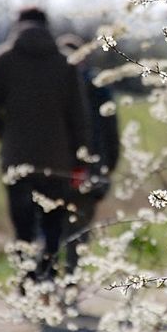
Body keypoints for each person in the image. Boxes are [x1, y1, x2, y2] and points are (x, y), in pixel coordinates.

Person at [0, 7, 90, 293]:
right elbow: (78, 117)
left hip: (17, 158)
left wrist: (4, 136)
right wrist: (80, 156)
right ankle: (47, 279)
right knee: (52, 223)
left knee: (23, 227)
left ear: (18, 25)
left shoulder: (4, 59)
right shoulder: (65, 63)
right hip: (57, 160)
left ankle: (25, 285)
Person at [57, 34, 120, 285]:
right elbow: (111, 132)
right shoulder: (98, 88)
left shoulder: (51, 88)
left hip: (59, 170)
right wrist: (108, 167)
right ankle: (70, 284)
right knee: (79, 232)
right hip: (91, 171)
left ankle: (55, 284)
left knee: (57, 229)